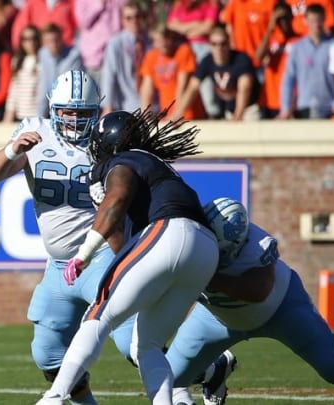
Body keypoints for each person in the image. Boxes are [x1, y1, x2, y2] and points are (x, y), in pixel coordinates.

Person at [35, 108, 219, 405]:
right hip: (204, 248)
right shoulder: (158, 166)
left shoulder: (125, 160)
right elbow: (124, 244)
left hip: (168, 233)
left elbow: (118, 198)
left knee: (97, 315)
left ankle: (53, 397)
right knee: (147, 345)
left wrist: (83, 254)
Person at [0, 70, 134, 405]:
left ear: (97, 111)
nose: (75, 119)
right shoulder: (35, 132)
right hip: (58, 266)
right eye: (67, 111)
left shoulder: (109, 138)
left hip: (102, 255)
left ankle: (203, 372)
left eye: (82, 112)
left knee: (132, 342)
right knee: (48, 354)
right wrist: (11, 150)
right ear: (53, 108)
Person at [168, 198, 334, 405]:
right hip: (215, 316)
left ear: (236, 245)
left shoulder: (256, 246)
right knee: (166, 377)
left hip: (281, 308)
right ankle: (214, 372)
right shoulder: (189, 238)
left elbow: (257, 291)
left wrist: (206, 276)